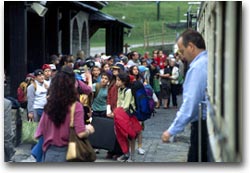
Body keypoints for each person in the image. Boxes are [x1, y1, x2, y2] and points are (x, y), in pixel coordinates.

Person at [161, 29, 208, 162]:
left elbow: (191, 103)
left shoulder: (197, 67)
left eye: (182, 51)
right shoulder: (206, 61)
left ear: (191, 47)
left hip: (202, 126)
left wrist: (172, 130)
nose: (182, 55)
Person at [34, 66, 94, 162]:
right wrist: (89, 129)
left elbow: (39, 133)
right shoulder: (76, 106)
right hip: (69, 153)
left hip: (49, 153)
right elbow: (81, 133)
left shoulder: (49, 105)